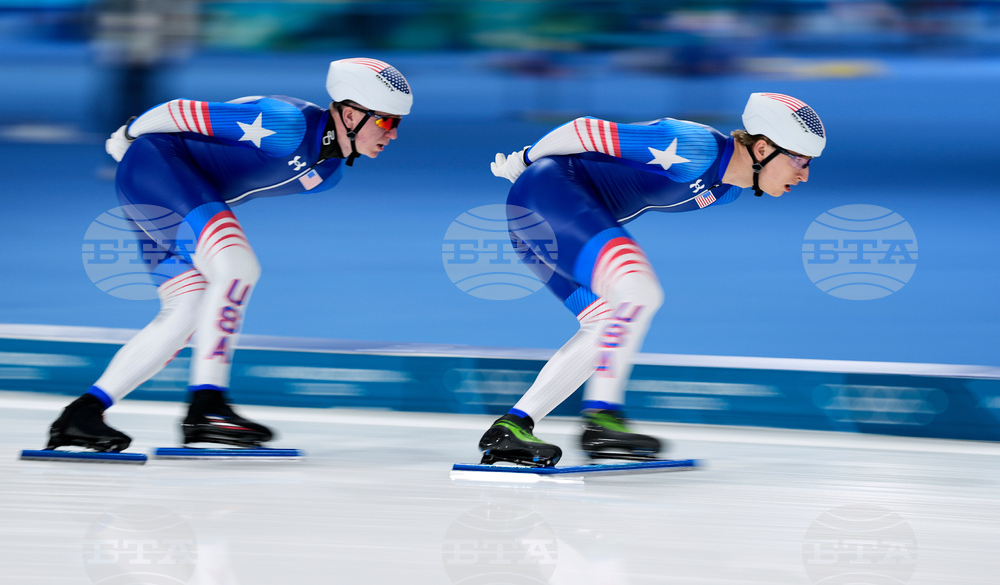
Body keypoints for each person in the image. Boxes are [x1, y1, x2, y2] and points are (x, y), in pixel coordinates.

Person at [46, 57, 413, 452]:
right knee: (236, 266)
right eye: (386, 121)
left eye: (398, 123)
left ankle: (81, 415)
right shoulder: (286, 124)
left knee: (187, 308)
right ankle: (207, 406)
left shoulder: (326, 174)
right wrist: (126, 135)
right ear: (352, 113)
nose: (392, 134)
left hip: (168, 189)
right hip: (155, 167)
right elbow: (179, 111)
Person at [480, 92, 826, 466]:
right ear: (762, 150)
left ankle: (511, 428)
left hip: (539, 221)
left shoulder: (725, 191)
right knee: (638, 289)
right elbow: (585, 129)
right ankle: (602, 417)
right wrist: (526, 160)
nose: (804, 174)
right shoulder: (697, 147)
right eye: (799, 160)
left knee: (605, 321)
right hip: (544, 196)